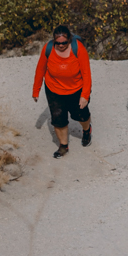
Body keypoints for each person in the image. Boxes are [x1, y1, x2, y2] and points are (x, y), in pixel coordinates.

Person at [31, 24, 92, 158]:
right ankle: (63, 146)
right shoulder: (48, 48)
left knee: (80, 115)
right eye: (57, 43)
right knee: (58, 119)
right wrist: (36, 90)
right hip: (54, 89)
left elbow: (86, 74)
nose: (60, 45)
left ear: (69, 39)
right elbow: (40, 69)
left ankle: (87, 130)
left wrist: (85, 95)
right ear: (54, 40)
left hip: (76, 89)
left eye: (64, 42)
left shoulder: (78, 48)